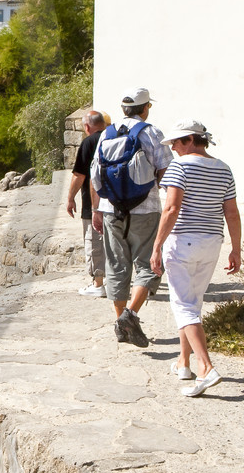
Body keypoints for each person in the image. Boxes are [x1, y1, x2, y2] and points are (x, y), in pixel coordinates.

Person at [151, 120, 240, 397]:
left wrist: (156, 246)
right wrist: (236, 249)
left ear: (191, 139)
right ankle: (183, 362)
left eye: (176, 142)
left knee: (183, 306)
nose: (173, 148)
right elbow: (232, 213)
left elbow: (171, 208)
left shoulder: (180, 167)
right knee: (192, 303)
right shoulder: (224, 168)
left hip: (183, 242)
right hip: (212, 243)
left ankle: (206, 367)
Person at [92, 88, 173, 349]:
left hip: (110, 209)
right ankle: (130, 317)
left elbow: (96, 175)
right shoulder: (151, 133)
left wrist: (96, 209)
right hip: (145, 209)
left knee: (116, 265)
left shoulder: (107, 132)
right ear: (145, 107)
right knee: (148, 265)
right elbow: (167, 172)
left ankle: (121, 322)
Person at [67, 109, 109, 298]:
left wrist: (70, 198)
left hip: (93, 202)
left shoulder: (89, 142)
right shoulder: (114, 138)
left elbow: (80, 175)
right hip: (117, 201)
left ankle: (98, 284)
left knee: (94, 241)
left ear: (86, 126)